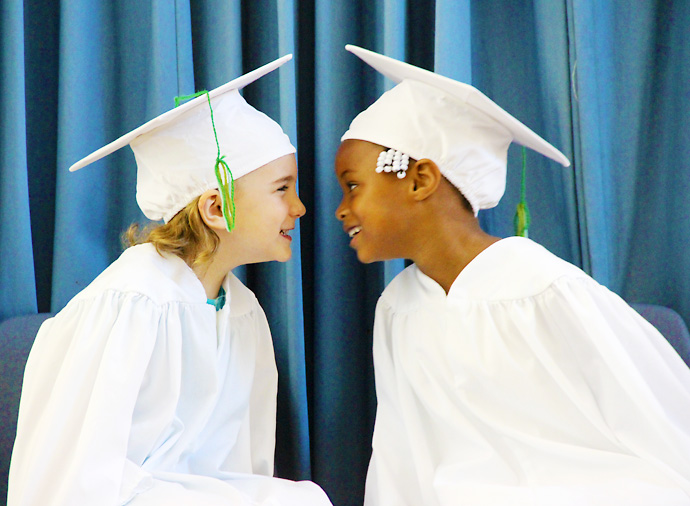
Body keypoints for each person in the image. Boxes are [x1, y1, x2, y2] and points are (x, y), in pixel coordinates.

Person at [334, 45, 690, 506]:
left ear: (421, 179)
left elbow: (657, 420)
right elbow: (400, 455)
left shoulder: (542, 286)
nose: (342, 209)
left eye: (353, 185)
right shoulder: (398, 307)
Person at [8, 55, 332, 506]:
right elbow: (80, 484)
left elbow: (240, 473)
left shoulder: (243, 312)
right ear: (216, 208)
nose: (299, 207)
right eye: (282, 188)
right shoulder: (130, 303)